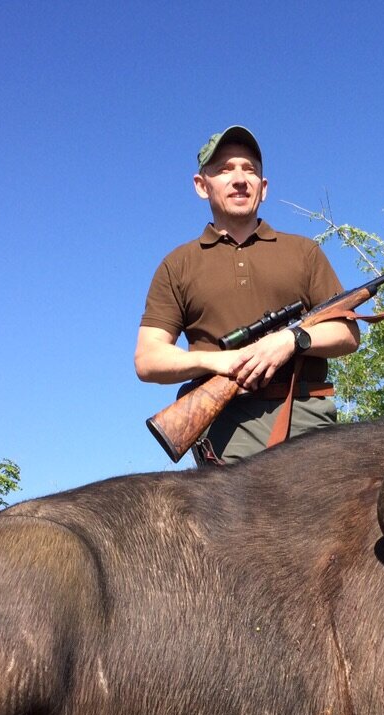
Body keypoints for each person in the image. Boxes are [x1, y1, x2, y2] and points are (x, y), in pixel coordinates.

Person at [135, 125, 359, 465]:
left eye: (250, 170)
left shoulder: (304, 251)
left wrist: (290, 340)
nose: (239, 179)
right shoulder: (177, 264)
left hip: (307, 419)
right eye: (225, 169)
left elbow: (346, 333)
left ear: (263, 188)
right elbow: (149, 359)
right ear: (201, 185)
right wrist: (218, 361)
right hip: (225, 430)